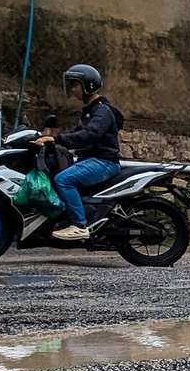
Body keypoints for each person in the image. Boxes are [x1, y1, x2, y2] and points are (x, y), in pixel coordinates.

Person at [33, 64, 123, 242]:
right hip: (90, 160)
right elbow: (76, 133)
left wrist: (57, 139)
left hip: (103, 162)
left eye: (75, 85)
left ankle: (80, 225)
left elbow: (89, 135)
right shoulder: (90, 111)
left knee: (63, 180)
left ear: (88, 85)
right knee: (58, 174)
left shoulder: (102, 111)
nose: (73, 90)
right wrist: (48, 139)